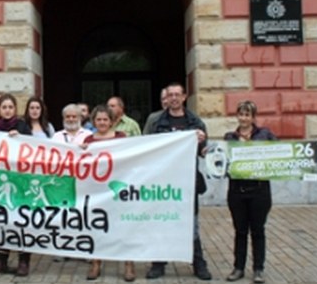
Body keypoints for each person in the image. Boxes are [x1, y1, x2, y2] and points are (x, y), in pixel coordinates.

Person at [145, 82, 212, 281]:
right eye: (170, 95)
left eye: (177, 95)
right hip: (163, 182)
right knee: (162, 221)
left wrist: (203, 142)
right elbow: (146, 147)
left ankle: (198, 263)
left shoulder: (195, 122)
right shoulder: (157, 122)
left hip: (188, 181)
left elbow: (204, 151)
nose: (174, 98)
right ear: (167, 97)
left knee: (191, 224)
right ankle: (158, 263)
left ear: (184, 97)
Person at [224, 100, 276, 284]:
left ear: (253, 117)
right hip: (237, 191)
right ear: (237, 116)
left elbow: (278, 154)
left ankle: (258, 269)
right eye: (241, 114)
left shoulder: (265, 135)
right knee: (240, 231)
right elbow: (224, 162)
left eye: (247, 114)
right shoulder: (230, 137)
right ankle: (238, 267)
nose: (244, 118)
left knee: (258, 230)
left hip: (259, 191)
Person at [83, 105, 134, 281]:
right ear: (93, 121)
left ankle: (128, 263)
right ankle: (96, 262)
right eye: (99, 119)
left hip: (117, 189)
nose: (102, 122)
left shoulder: (121, 138)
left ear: (112, 121)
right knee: (97, 226)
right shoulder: (88, 141)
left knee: (123, 227)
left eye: (105, 119)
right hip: (96, 190)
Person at [0, 93, 32, 276]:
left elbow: (33, 149)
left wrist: (21, 138)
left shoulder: (23, 126)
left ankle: (23, 261)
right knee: (1, 221)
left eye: (10, 107)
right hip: (0, 181)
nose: (7, 110)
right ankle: (1, 260)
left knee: (21, 221)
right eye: (4, 107)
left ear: (15, 109)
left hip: (20, 182)